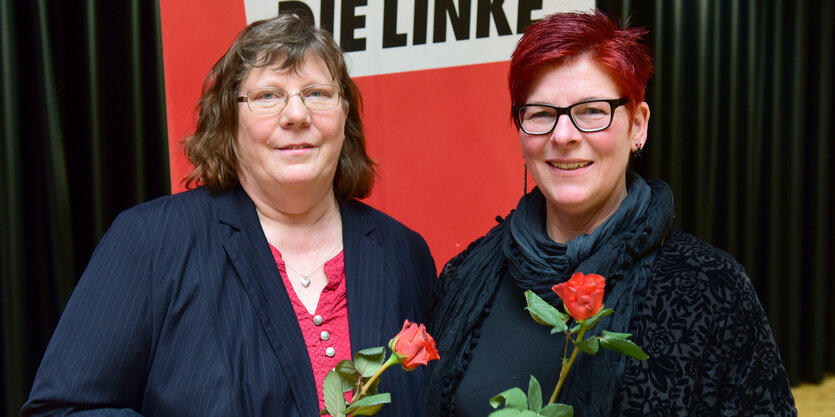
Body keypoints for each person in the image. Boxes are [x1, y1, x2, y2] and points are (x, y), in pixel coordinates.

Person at [22, 14, 435, 417]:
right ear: (229, 121)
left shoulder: (403, 252)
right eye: (268, 96)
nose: (296, 115)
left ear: (344, 116)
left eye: (317, 93)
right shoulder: (152, 239)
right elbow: (63, 408)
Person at [424, 9, 796, 417]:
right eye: (542, 114)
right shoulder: (465, 276)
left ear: (638, 125)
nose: (563, 136)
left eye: (592, 111)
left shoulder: (711, 290)